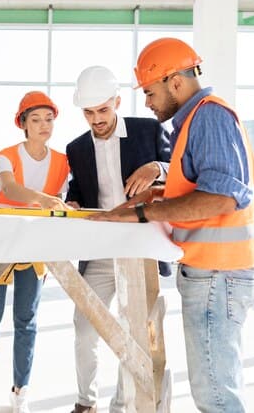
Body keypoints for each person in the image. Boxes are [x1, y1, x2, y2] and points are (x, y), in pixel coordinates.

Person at [90, 38, 254, 413]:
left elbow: (223, 196)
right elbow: (200, 185)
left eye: (150, 92)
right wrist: (157, 194)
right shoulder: (194, 119)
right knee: (216, 388)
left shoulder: (209, 115)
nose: (146, 102)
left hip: (218, 274)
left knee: (216, 396)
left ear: (175, 81)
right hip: (213, 273)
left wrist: (143, 214)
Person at [63, 65, 171, 413]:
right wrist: (72, 202)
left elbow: (178, 168)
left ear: (117, 102)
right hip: (98, 250)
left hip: (138, 249)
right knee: (84, 327)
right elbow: (79, 189)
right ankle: (85, 401)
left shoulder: (148, 130)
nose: (96, 119)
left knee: (135, 332)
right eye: (89, 112)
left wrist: (157, 167)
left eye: (103, 110)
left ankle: (122, 405)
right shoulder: (75, 148)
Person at [0, 91, 71, 413]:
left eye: (49, 119)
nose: (44, 125)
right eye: (36, 119)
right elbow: (9, 187)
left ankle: (20, 392)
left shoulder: (62, 161)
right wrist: (43, 199)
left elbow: (64, 198)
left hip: (34, 244)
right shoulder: (4, 155)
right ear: (23, 124)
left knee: (26, 320)